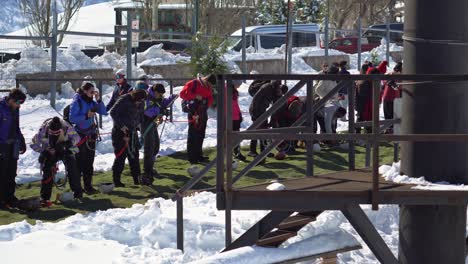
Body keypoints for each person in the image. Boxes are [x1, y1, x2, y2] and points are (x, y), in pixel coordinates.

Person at [30, 117, 83, 206]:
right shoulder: (43, 130)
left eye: (57, 133)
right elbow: (34, 144)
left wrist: (67, 144)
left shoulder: (67, 127)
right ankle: (45, 198)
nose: (54, 134)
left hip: (65, 149)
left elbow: (77, 138)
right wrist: (43, 152)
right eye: (52, 133)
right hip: (50, 151)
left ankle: (78, 193)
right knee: (47, 171)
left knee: (72, 169)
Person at [69, 81, 107, 194]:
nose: (92, 94)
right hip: (80, 136)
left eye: (94, 92)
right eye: (91, 92)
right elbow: (72, 118)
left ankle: (88, 186)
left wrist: (99, 99)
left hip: (91, 135)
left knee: (89, 162)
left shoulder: (91, 102)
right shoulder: (77, 102)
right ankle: (78, 188)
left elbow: (103, 112)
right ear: (84, 91)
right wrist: (86, 116)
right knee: (80, 163)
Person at [141, 83, 178, 184]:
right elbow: (148, 111)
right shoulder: (146, 97)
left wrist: (172, 98)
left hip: (153, 124)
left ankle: (150, 168)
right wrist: (161, 111)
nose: (161, 96)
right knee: (149, 148)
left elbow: (163, 103)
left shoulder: (158, 97)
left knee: (156, 146)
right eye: (160, 94)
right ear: (156, 92)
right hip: (146, 124)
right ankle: (146, 174)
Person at [110, 89, 147, 187]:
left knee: (134, 156)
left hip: (133, 132)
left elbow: (140, 115)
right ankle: (116, 180)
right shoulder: (124, 99)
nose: (139, 103)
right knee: (120, 156)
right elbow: (113, 112)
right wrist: (121, 125)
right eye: (138, 100)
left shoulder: (141, 103)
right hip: (120, 132)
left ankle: (137, 178)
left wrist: (139, 123)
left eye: (141, 101)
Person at [179, 74, 215, 164]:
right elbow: (182, 94)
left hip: (203, 112)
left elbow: (210, 97)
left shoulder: (208, 86)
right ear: (206, 79)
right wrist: (195, 96)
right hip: (193, 112)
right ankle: (192, 157)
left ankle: (199, 155)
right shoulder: (193, 83)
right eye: (209, 84)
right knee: (193, 135)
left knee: (201, 134)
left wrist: (206, 104)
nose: (210, 87)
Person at [0, 88, 27, 209]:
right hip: (2, 145)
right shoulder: (1, 108)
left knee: (12, 172)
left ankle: (10, 197)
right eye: (18, 103)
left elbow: (16, 126)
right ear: (11, 100)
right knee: (2, 173)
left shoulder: (15, 110)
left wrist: (21, 140)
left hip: (13, 144)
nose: (19, 106)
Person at [248, 80, 284, 158]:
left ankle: (262, 151)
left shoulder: (271, 88)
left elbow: (275, 108)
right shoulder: (267, 88)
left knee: (261, 129)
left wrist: (272, 120)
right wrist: (255, 113)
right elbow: (256, 100)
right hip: (256, 110)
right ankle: (254, 150)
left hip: (261, 110)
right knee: (259, 130)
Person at [381, 62, 403, 133]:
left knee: (391, 117)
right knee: (391, 117)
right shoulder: (392, 75)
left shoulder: (392, 75)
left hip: (392, 98)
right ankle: (389, 131)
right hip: (390, 98)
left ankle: (390, 131)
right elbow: (384, 82)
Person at [230, 80, 246, 161]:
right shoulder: (228, 91)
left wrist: (239, 114)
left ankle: (237, 152)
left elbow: (236, 105)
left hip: (236, 117)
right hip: (230, 117)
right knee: (231, 136)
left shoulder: (234, 92)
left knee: (237, 136)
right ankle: (232, 153)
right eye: (238, 84)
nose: (239, 86)